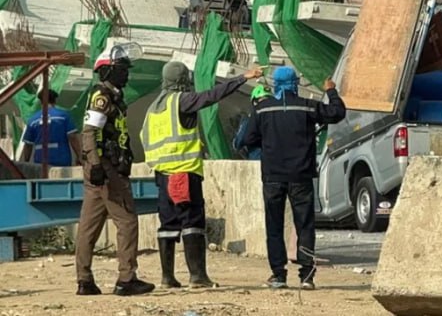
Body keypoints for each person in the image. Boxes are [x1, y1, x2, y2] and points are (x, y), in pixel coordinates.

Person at [141, 61, 263, 289]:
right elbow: (211, 96)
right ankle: (197, 276)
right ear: (182, 81)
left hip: (162, 175)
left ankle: (167, 277)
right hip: (184, 172)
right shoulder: (181, 101)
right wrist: (241, 78)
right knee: (192, 222)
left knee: (167, 225)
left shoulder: (154, 108)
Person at [243, 67, 346, 290]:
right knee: (305, 225)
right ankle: (307, 276)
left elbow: (247, 137)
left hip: (272, 176)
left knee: (274, 225)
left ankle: (278, 275)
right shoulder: (308, 106)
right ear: (295, 83)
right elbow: (337, 113)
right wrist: (331, 91)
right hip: (301, 176)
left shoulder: (262, 109)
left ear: (275, 84)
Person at [75, 46, 155, 297]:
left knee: (89, 226)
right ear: (108, 71)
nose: (127, 75)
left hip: (101, 167)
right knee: (127, 221)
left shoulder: (112, 96)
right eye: (121, 70)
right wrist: (98, 165)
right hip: (106, 168)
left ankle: (84, 280)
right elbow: (89, 131)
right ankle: (126, 278)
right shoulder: (103, 97)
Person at [20, 90, 82, 167]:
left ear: (40, 101)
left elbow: (28, 145)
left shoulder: (33, 120)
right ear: (55, 100)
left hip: (40, 161)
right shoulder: (63, 116)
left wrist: (26, 162)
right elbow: (72, 137)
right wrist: (79, 156)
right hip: (61, 159)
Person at [232, 84, 269, 160]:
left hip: (258, 162)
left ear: (254, 102)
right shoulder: (280, 119)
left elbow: (237, 143)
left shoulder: (249, 120)